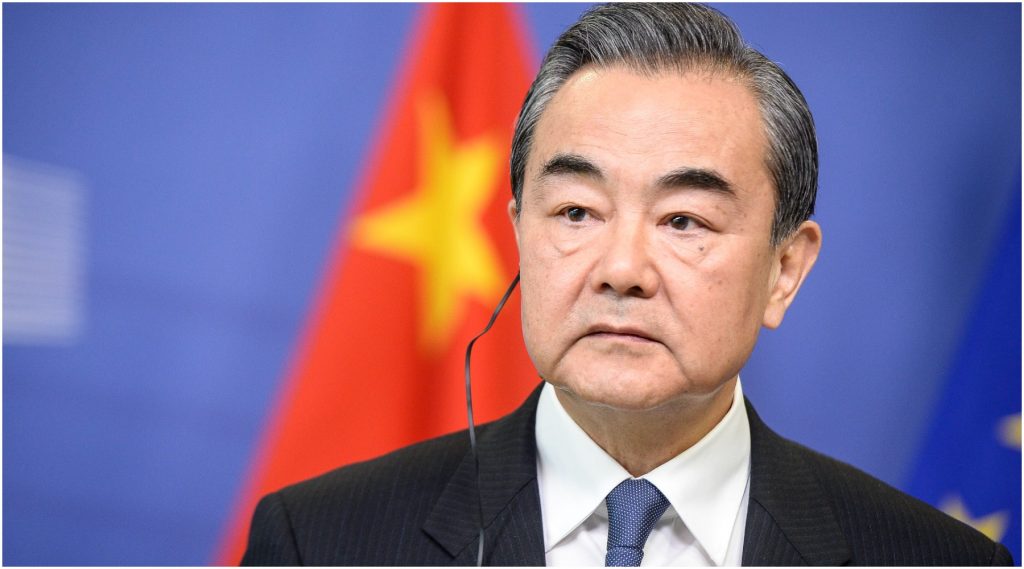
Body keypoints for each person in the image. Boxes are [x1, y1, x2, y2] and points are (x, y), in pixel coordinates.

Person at [241, 4, 1013, 566]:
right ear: (519, 234)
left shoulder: (937, 559)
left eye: (683, 220)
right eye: (576, 211)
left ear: (785, 270)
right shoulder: (322, 540)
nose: (621, 270)